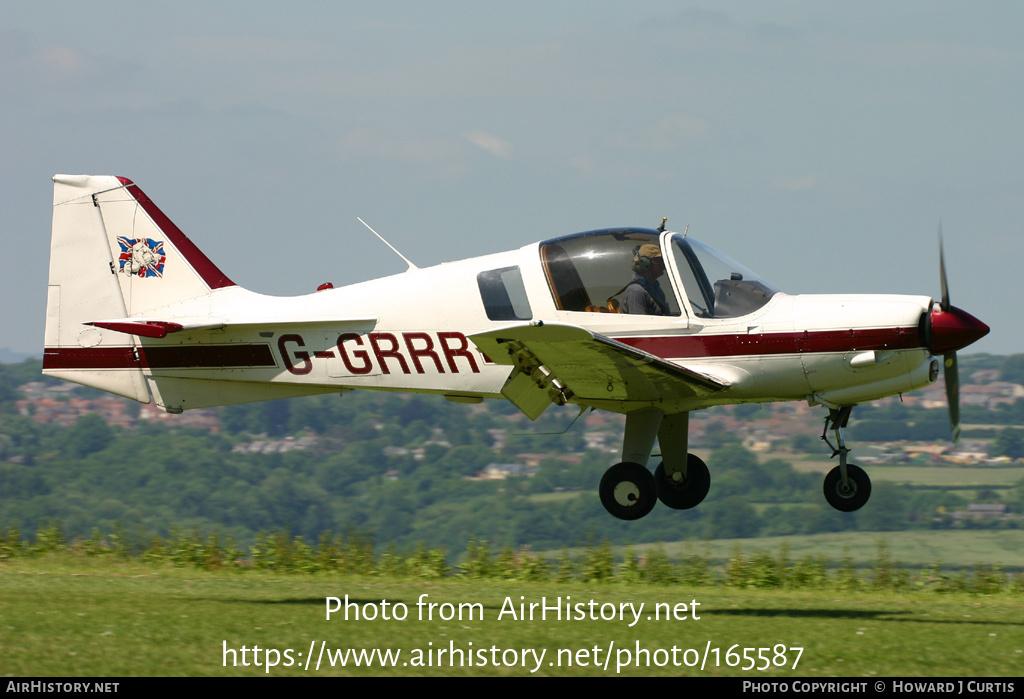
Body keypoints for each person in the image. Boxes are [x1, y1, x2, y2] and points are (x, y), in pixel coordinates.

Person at [618, 243, 669, 315]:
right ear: (646, 263)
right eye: (660, 261)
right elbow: (639, 324)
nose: (664, 265)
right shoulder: (636, 291)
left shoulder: (656, 288)